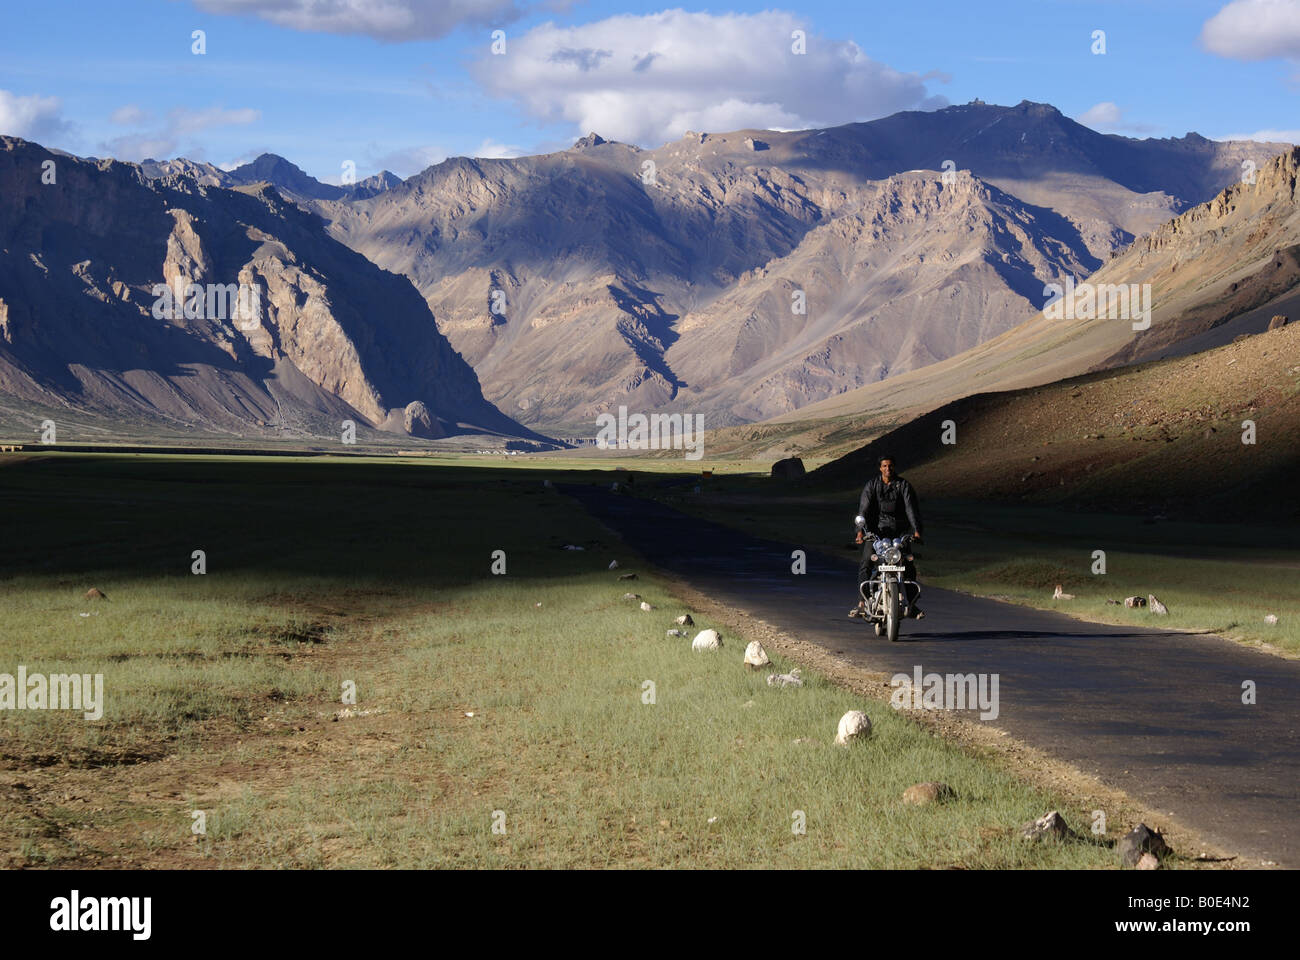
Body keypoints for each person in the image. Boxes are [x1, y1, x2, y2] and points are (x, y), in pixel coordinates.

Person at [851, 454, 924, 620]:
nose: (887, 469)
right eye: (884, 466)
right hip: (876, 532)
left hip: (900, 532)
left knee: (909, 565)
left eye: (890, 466)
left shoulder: (903, 485)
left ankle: (912, 605)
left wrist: (916, 531)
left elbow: (910, 508)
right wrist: (860, 531)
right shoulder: (872, 485)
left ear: (894, 467)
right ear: (880, 468)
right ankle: (862, 603)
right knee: (866, 563)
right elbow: (864, 509)